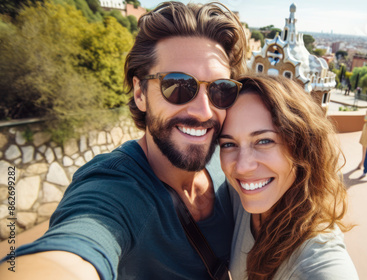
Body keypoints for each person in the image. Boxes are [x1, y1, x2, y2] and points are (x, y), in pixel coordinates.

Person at [0, 2, 247, 279]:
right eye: (178, 86)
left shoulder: (227, 157)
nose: (204, 112)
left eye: (220, 89)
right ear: (140, 93)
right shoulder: (115, 189)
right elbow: (73, 249)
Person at [219, 75, 358, 280]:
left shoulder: (317, 262)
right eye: (228, 144)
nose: (242, 167)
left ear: (302, 147)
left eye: (264, 141)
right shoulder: (238, 194)